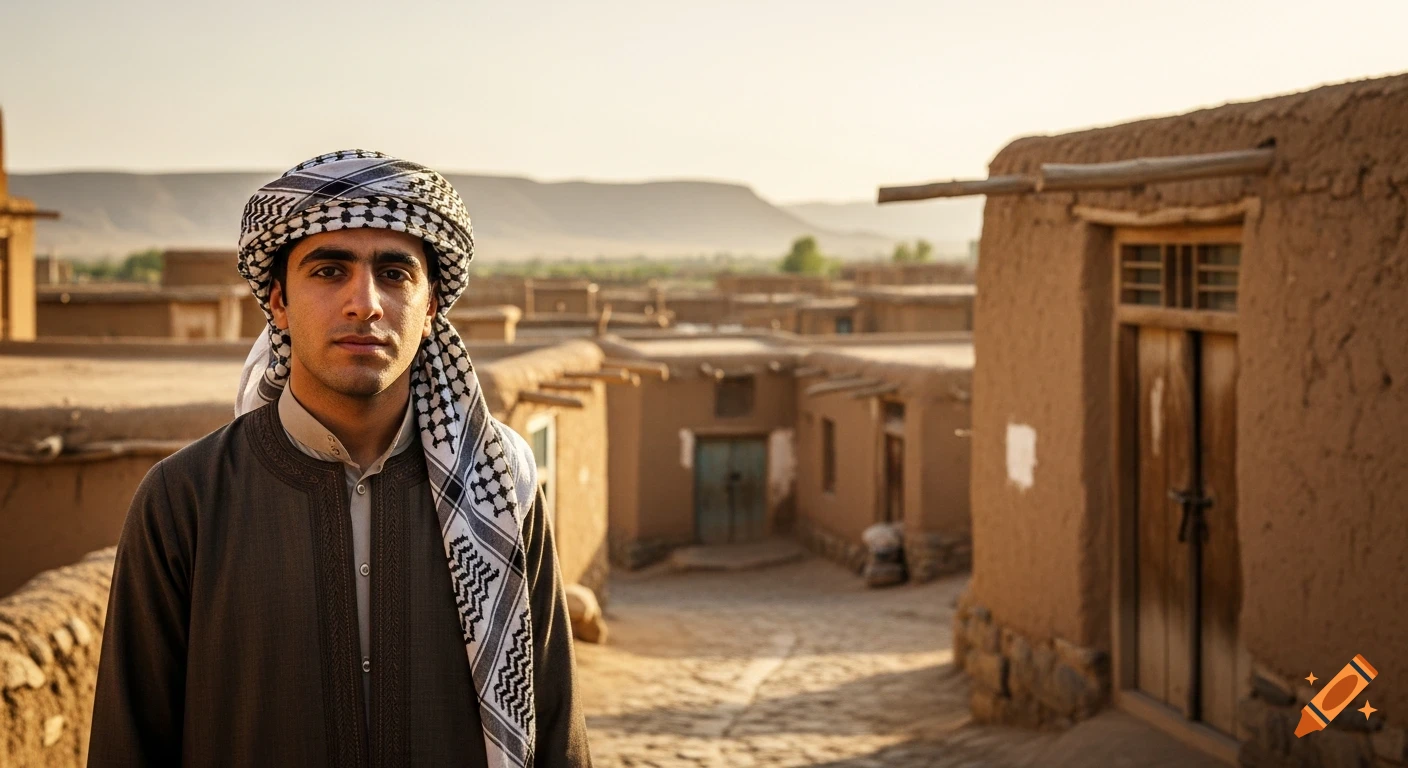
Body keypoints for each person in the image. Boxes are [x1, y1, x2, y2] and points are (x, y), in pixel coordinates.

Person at [88, 150, 592, 767]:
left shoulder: (498, 488)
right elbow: (129, 742)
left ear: (431, 305)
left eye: (395, 274)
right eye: (329, 271)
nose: (365, 303)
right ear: (277, 302)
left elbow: (556, 727)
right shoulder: (184, 500)